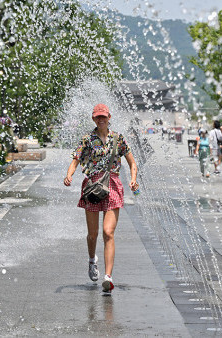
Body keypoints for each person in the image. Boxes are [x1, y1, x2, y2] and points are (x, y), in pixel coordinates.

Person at [64, 103, 139, 294]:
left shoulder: (118, 138)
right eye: (98, 117)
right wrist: (69, 175)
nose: (101, 119)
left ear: (109, 117)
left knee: (108, 232)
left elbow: (132, 162)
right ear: (93, 119)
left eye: (103, 116)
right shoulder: (87, 139)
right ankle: (92, 260)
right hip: (92, 187)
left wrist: (133, 180)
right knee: (93, 234)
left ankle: (108, 277)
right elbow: (76, 160)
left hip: (112, 185)